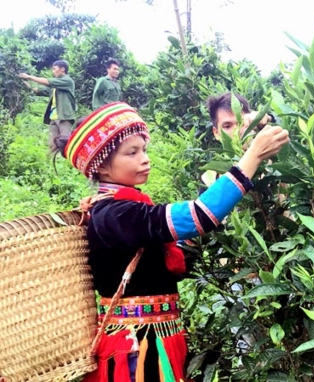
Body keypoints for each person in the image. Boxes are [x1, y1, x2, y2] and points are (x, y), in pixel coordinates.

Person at [54, 102, 289, 382]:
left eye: (144, 149)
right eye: (132, 152)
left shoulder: (124, 208)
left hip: (154, 339)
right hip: (135, 350)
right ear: (102, 165)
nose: (144, 159)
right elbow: (197, 217)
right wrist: (253, 156)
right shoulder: (115, 214)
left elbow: (181, 249)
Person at [20, 59, 77, 152]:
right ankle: (53, 162)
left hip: (64, 116)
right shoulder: (55, 86)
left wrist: (29, 77)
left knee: (66, 141)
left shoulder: (67, 81)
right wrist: (25, 83)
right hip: (53, 117)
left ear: (62, 69)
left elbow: (47, 81)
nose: (53, 71)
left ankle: (69, 161)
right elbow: (38, 90)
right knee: (52, 144)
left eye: (54, 69)